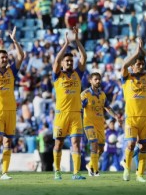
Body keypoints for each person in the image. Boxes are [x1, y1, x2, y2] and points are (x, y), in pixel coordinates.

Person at [0, 26, 24, 180]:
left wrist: (14, 41)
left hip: (10, 111)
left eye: (6, 57)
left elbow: (21, 57)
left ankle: (5, 173)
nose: (5, 59)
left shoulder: (11, 71)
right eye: (2, 57)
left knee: (8, 142)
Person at [52, 27, 87, 180]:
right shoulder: (57, 74)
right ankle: (57, 171)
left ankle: (76, 173)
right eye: (67, 61)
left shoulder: (77, 74)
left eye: (71, 61)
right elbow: (56, 60)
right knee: (58, 144)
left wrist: (77, 41)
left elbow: (84, 57)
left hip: (75, 114)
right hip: (61, 115)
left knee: (76, 143)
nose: (69, 63)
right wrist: (66, 44)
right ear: (62, 63)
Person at [121, 38, 146, 183]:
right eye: (138, 64)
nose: (140, 66)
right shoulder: (126, 77)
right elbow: (124, 65)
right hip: (131, 118)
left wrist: (144, 51)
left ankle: (139, 174)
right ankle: (126, 168)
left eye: (142, 64)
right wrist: (136, 52)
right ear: (133, 66)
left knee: (144, 146)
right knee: (130, 144)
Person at [81, 72, 121, 176]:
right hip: (89, 123)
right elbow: (79, 107)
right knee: (94, 144)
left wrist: (116, 116)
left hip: (100, 124)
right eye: (95, 79)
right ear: (90, 81)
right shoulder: (85, 94)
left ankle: (90, 165)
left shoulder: (102, 94)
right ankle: (94, 170)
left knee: (101, 148)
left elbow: (107, 108)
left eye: (99, 79)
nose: (98, 81)